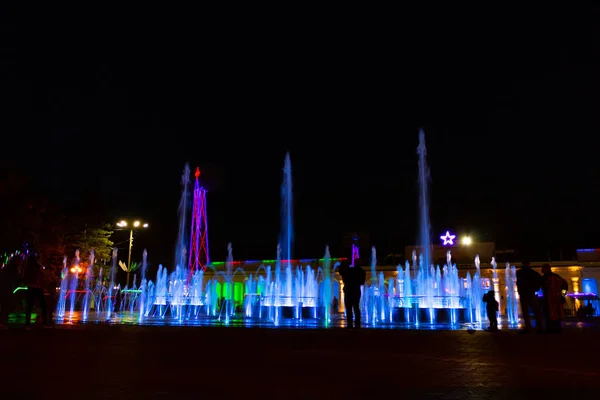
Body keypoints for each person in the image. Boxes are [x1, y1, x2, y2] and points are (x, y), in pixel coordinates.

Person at [22, 253, 50, 329]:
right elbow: (41, 277)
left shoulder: (28, 267)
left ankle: (27, 324)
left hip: (31, 287)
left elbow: (25, 278)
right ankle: (44, 323)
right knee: (42, 305)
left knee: (30, 306)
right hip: (37, 287)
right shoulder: (36, 267)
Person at [516, 261, 543, 334]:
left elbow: (518, 282)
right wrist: (536, 288)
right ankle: (539, 327)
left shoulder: (520, 272)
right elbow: (539, 279)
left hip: (526, 293)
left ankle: (529, 328)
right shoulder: (532, 272)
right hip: (530, 293)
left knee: (527, 312)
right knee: (535, 311)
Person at [339, 258, 366, 329]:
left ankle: (350, 324)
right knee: (356, 307)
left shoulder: (351, 270)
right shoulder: (362, 271)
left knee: (349, 308)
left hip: (349, 290)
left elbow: (342, 273)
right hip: (356, 291)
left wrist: (343, 265)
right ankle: (357, 324)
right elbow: (362, 282)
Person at [540, 264, 568, 333]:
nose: (542, 270)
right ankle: (557, 329)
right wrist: (563, 294)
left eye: (543, 268)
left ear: (546, 269)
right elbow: (565, 285)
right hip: (555, 298)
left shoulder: (545, 278)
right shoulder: (555, 276)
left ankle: (550, 329)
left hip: (549, 299)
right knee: (556, 313)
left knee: (549, 313)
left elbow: (564, 284)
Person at [0, 256, 22, 329]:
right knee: (10, 304)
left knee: (5, 305)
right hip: (7, 288)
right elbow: (15, 279)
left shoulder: (7, 268)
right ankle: (2, 321)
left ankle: (3, 322)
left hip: (5, 288)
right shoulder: (12, 269)